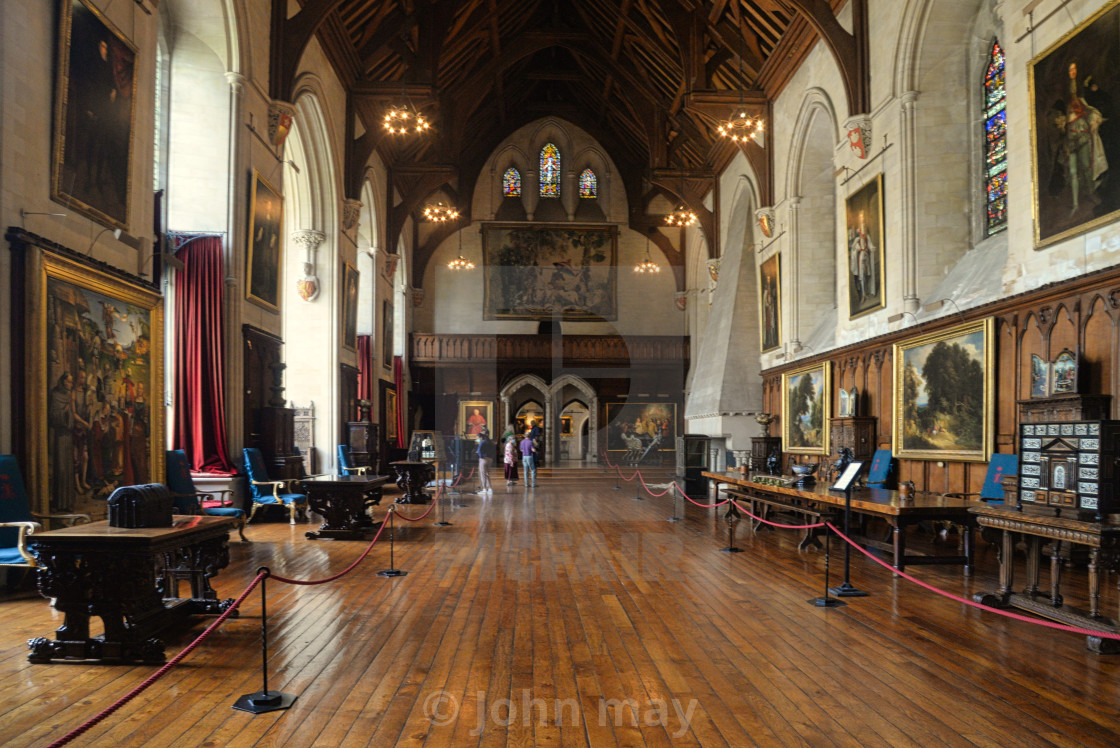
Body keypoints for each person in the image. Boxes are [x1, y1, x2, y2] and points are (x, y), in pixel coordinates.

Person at [476, 428, 495, 494]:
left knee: (483, 474)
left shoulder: (483, 442)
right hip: (490, 459)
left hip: (483, 459)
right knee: (487, 474)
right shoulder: (491, 442)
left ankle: (484, 489)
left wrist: (481, 456)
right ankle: (489, 488)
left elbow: (479, 451)